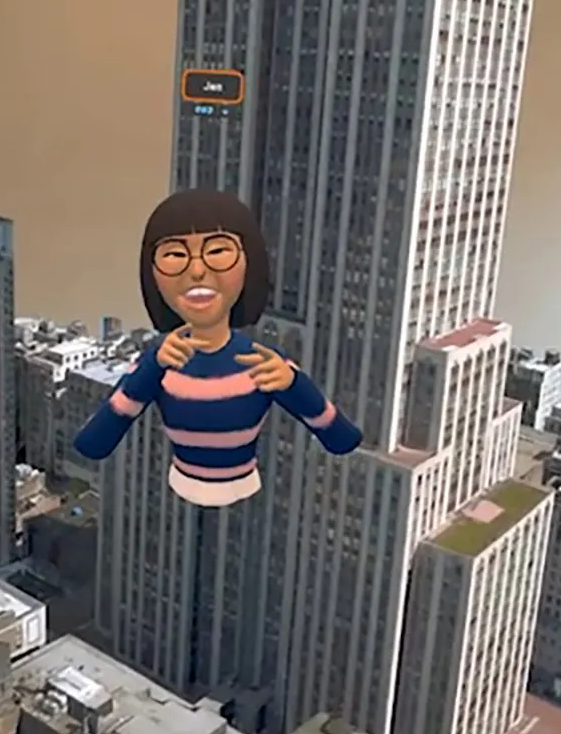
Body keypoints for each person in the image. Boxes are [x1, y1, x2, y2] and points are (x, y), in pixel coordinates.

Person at [72, 189, 361, 506]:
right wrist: (151, 369)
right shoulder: (158, 362)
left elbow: (342, 440)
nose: (197, 271)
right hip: (179, 489)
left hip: (246, 493)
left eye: (218, 251)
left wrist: (294, 384)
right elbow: (93, 444)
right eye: (175, 255)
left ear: (249, 262)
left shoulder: (262, 363)